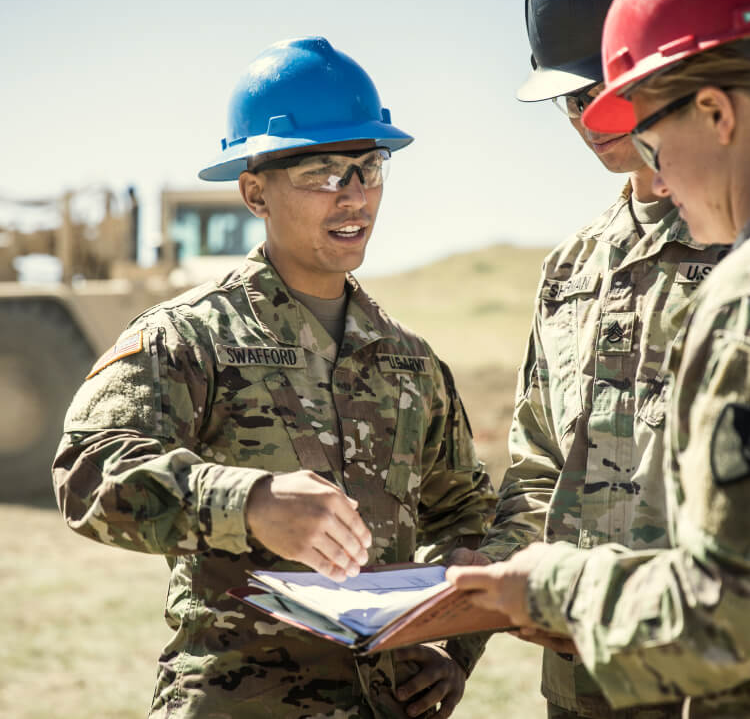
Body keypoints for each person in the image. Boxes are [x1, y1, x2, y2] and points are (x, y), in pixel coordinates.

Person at [52, 36, 495, 719]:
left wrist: (453, 646)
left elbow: (468, 511)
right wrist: (249, 501)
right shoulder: (191, 335)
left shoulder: (410, 360)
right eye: (322, 172)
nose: (354, 197)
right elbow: (88, 471)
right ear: (255, 192)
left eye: (367, 169)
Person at [448, 0, 750, 715]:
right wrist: (473, 606)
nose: (594, 123)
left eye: (613, 99)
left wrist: (558, 590)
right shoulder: (573, 267)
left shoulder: (734, 258)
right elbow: (539, 465)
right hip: (591, 674)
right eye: (572, 103)